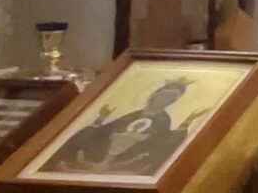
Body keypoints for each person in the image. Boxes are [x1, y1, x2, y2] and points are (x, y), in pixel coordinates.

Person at [40, 76, 206, 178]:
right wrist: (100, 119)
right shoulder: (132, 115)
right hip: (102, 151)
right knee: (86, 133)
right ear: (154, 95)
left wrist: (187, 123)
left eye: (171, 98)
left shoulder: (163, 120)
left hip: (132, 156)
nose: (166, 99)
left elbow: (163, 140)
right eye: (164, 95)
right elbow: (104, 131)